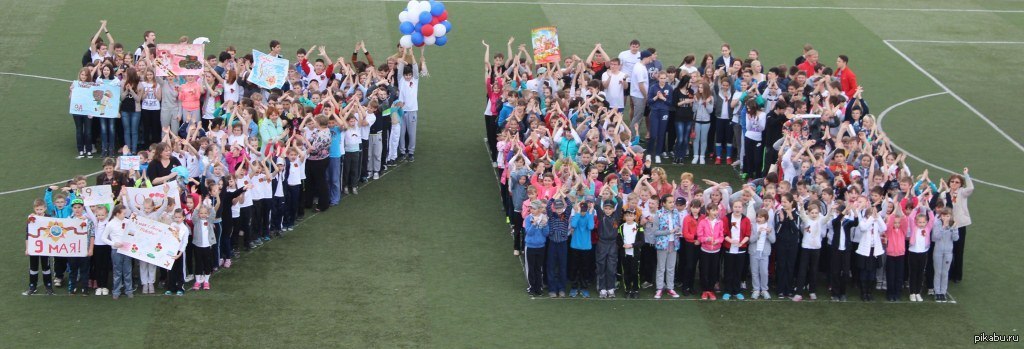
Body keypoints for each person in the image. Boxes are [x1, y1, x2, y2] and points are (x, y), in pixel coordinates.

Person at [943, 168, 972, 283]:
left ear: (961, 184)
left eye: (957, 182)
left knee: (958, 251)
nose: (954, 184)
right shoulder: (944, 194)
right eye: (952, 182)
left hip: (959, 225)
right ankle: (948, 272)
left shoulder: (962, 192)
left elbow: (971, 188)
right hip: (947, 225)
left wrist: (966, 174)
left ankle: (957, 275)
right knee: (948, 250)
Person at [650, 195, 681, 299]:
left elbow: (678, 226)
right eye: (670, 202)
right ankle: (659, 288)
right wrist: (669, 231)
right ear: (663, 203)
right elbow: (655, 232)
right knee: (661, 267)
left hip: (674, 243)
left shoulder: (676, 213)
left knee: (671, 267)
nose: (672, 204)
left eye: (673, 202)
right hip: (662, 244)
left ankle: (670, 287)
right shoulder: (659, 214)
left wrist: (678, 232)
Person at [100, 205, 133, 299]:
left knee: (128, 270)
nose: (125, 215)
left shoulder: (127, 221)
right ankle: (116, 291)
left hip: (126, 249)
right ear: (117, 213)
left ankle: (129, 290)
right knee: (117, 271)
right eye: (123, 213)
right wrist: (114, 243)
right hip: (116, 250)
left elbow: (132, 232)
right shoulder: (111, 224)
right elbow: (103, 238)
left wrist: (130, 237)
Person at [722, 200, 750, 300]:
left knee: (738, 271)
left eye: (739, 207)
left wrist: (741, 243)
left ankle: (737, 291)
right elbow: (724, 233)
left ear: (742, 208)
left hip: (741, 250)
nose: (737, 209)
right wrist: (731, 241)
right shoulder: (727, 218)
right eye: (735, 207)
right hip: (729, 248)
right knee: (728, 270)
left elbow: (747, 234)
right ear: (732, 208)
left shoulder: (746, 220)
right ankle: (727, 291)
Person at [397, 48, 421, 162]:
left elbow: (416, 68)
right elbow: (401, 67)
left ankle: (411, 152)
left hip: (412, 111)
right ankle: (402, 152)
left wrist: (412, 56)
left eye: (409, 75)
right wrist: (404, 54)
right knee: (401, 133)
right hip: (401, 111)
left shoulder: (415, 80)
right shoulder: (401, 80)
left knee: (412, 134)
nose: (407, 76)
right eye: (406, 75)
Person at [594, 199, 621, 298]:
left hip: (613, 244)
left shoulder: (616, 217)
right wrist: (601, 193)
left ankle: (610, 288)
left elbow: (620, 202)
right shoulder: (602, 217)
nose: (608, 210)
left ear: (613, 209)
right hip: (602, 244)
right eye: (605, 208)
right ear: (603, 209)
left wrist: (614, 193)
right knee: (601, 266)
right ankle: (602, 289)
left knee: (611, 267)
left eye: (610, 208)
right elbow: (597, 204)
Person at [567, 200, 595, 298]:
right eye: (581, 210)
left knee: (585, 268)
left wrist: (590, 213)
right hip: (575, 246)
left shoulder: (588, 216)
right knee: (574, 268)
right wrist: (578, 213)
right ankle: (574, 287)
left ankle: (584, 287)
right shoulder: (576, 216)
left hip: (586, 247)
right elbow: (573, 225)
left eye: (584, 210)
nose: (583, 212)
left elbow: (591, 227)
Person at [696, 204, 723, 300]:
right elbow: (699, 236)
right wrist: (706, 239)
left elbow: (721, 236)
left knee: (713, 271)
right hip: (705, 250)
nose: (716, 212)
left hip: (716, 251)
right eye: (713, 210)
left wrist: (718, 241)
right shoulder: (703, 222)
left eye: (716, 210)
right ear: (708, 211)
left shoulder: (720, 222)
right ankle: (705, 290)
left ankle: (711, 290)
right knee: (704, 271)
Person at [931, 207, 959, 302]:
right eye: (944, 216)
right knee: (938, 272)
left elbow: (955, 239)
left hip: (948, 252)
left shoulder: (953, 224)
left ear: (950, 216)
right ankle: (937, 292)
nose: (946, 218)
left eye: (947, 216)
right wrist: (943, 227)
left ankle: (943, 292)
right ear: (941, 216)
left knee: (945, 272)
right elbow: (936, 236)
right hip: (938, 251)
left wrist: (954, 229)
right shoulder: (937, 223)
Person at [523, 200, 549, 297]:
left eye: (533, 208)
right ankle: (532, 287)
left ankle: (539, 287)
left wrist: (545, 225)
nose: (531, 210)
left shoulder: (544, 218)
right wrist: (534, 225)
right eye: (531, 208)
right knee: (531, 268)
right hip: (530, 246)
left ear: (539, 209)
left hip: (541, 247)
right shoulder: (528, 218)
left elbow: (546, 233)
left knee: (538, 268)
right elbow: (529, 233)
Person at [748, 209, 775, 300]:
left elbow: (773, 240)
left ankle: (764, 290)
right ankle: (756, 289)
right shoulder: (753, 226)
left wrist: (768, 233)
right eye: (757, 217)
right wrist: (758, 234)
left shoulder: (770, 226)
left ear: (765, 218)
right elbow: (750, 240)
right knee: (754, 271)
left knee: (764, 272)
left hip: (764, 252)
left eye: (761, 217)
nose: (758, 219)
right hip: (754, 252)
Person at [618, 208, 642, 298]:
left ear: (635, 217)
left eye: (631, 216)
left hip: (635, 254)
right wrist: (622, 245)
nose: (628, 217)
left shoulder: (639, 227)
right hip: (624, 254)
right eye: (627, 215)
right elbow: (618, 240)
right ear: (624, 217)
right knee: (626, 272)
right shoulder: (621, 227)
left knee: (635, 272)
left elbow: (641, 241)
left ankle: (635, 289)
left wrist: (632, 245)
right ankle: (627, 289)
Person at [628, 51, 652, 141]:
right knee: (637, 118)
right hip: (639, 96)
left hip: (637, 95)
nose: (651, 59)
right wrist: (646, 96)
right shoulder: (640, 68)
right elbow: (641, 85)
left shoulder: (639, 66)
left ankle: (635, 137)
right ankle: (632, 139)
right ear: (646, 57)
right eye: (650, 57)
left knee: (638, 117)